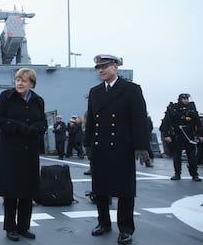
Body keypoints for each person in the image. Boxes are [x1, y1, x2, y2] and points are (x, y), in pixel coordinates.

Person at [84, 54, 150, 245]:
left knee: (125, 190)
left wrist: (142, 146)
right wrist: (87, 144)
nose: (101, 70)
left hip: (122, 146)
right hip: (100, 147)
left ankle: (126, 228)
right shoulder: (95, 92)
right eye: (98, 68)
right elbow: (92, 122)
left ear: (116, 67)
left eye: (104, 66)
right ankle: (103, 223)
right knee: (100, 188)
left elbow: (139, 120)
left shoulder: (131, 90)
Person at [0, 68, 47, 242]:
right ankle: (10, 227)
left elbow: (42, 121)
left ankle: (24, 227)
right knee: (11, 192)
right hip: (10, 151)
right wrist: (20, 127)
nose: (20, 83)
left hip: (29, 151)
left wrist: (39, 128)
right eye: (17, 80)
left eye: (24, 81)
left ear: (31, 83)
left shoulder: (38, 101)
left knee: (27, 191)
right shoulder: (6, 97)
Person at [160, 93, 202, 181]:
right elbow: (166, 123)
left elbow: (198, 123)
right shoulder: (173, 109)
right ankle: (177, 174)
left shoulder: (192, 109)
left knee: (191, 155)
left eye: (187, 98)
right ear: (180, 99)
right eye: (184, 98)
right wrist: (166, 135)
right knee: (177, 155)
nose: (186, 100)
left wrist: (200, 135)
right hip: (177, 135)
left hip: (189, 135)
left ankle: (194, 174)